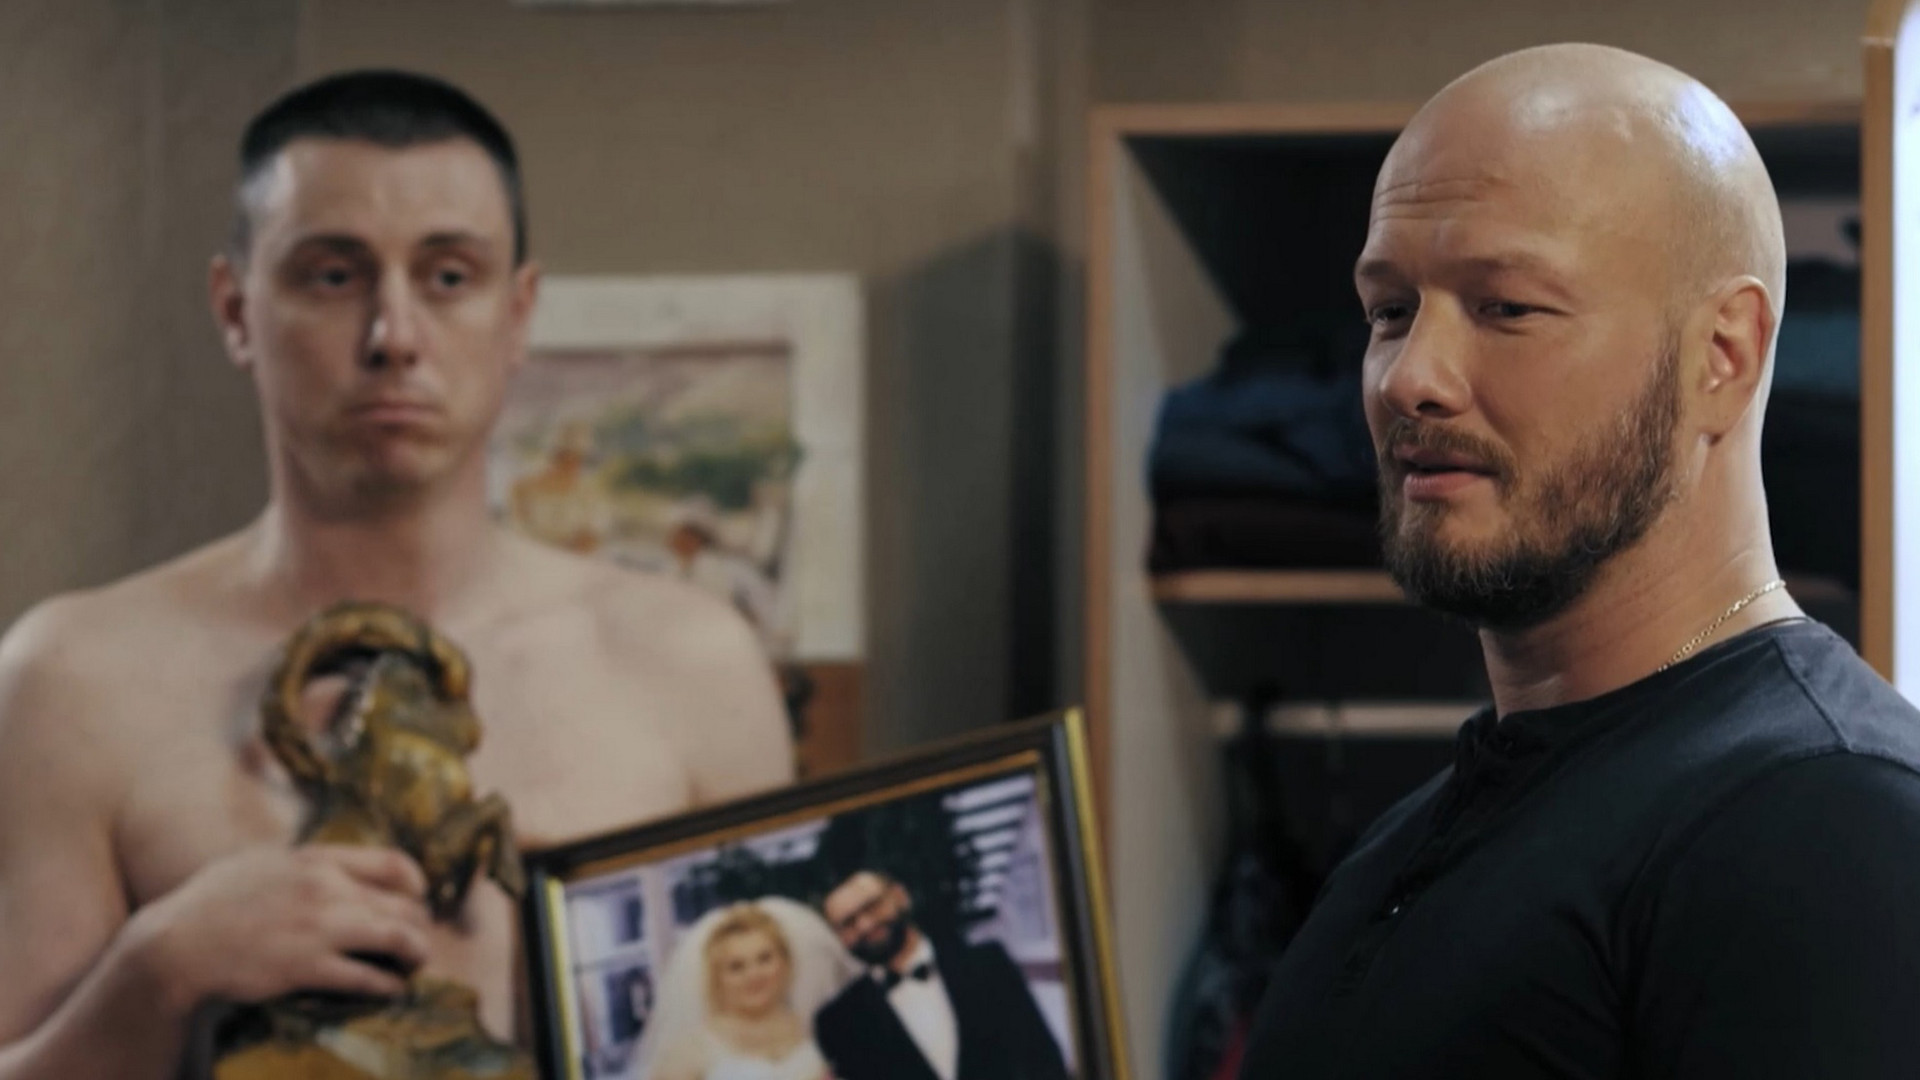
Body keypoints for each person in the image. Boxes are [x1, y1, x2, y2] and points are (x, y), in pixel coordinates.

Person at [0, 70, 793, 1078]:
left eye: (448, 277)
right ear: (236, 310)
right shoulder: (75, 680)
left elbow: (768, 1048)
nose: (394, 337)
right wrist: (157, 971)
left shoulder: (693, 666)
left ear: (518, 314)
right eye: (334, 276)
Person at [1237, 43, 1920, 1078]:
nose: (1409, 378)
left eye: (1506, 308)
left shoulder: (1823, 824)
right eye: (1390, 312)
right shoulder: (1427, 831)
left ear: (1721, 357)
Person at [814, 871, 1069, 1080]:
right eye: (848, 923)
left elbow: (1043, 1060)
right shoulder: (839, 1022)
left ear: (900, 897)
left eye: (872, 906)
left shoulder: (988, 964)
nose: (865, 925)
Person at [650, 901, 837, 1080]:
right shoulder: (692, 1051)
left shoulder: (812, 1029)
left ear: (785, 963)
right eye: (736, 967)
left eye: (765, 959)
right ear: (717, 979)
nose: (754, 975)